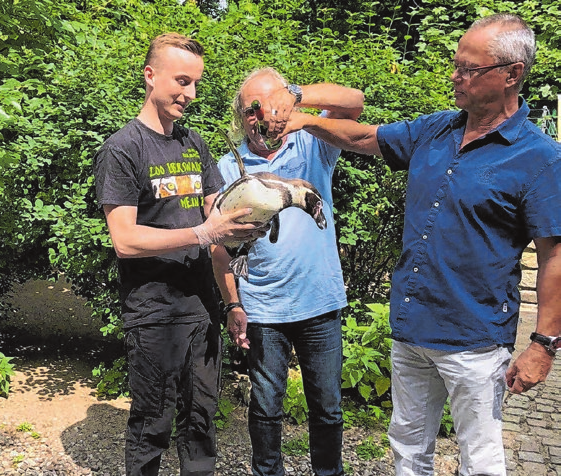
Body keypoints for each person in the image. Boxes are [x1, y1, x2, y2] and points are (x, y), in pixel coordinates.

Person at [274, 13, 561, 475]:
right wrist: (302, 119)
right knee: (407, 448)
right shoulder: (436, 130)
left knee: (481, 460)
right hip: (412, 328)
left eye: (469, 68)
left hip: (476, 340)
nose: (455, 76)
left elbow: (555, 257)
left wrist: (544, 344)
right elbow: (365, 136)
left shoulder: (541, 158)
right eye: (455, 64)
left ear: (512, 74)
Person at [93, 33, 265, 476]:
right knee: (153, 424)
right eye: (182, 81)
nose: (189, 95)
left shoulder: (194, 145)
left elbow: (216, 223)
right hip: (152, 312)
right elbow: (125, 239)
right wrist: (204, 231)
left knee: (202, 423)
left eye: (195, 85)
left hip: (202, 309)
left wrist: (232, 299)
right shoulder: (123, 149)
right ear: (150, 76)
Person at [212, 69, 363, 476]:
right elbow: (219, 247)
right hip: (262, 306)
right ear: (241, 116)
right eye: (253, 109)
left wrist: (297, 97)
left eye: (272, 105)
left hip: (319, 300)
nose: (263, 117)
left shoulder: (314, 143)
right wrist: (233, 304)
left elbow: (354, 102)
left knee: (328, 407)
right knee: (264, 407)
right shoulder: (228, 167)